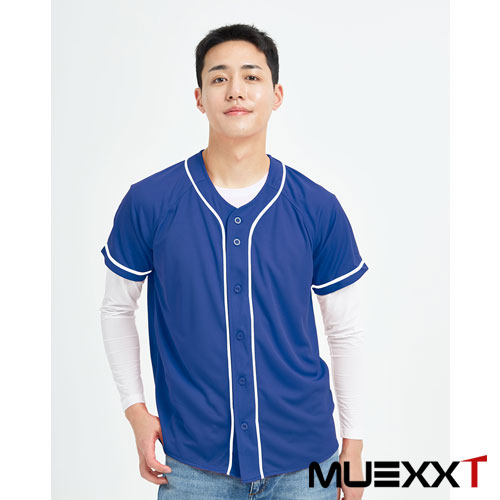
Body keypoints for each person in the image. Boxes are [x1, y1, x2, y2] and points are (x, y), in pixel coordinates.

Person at [100, 23, 368, 499]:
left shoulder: (317, 207)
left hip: (306, 463)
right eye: (219, 78)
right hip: (193, 465)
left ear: (276, 95)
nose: (236, 90)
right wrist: (135, 411)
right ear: (199, 98)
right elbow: (117, 308)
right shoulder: (151, 202)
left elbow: (343, 330)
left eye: (251, 76)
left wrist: (353, 443)